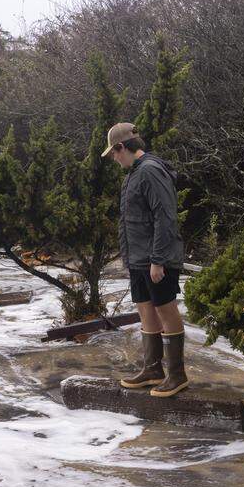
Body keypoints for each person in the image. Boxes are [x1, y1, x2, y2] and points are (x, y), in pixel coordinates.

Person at [103, 122, 188, 397]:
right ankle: (152, 368)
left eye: (114, 154)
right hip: (138, 259)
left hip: (156, 258)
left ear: (121, 147)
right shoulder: (133, 173)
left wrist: (158, 259)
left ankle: (177, 374)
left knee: (166, 309)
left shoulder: (150, 171)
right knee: (145, 310)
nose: (114, 159)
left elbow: (165, 217)